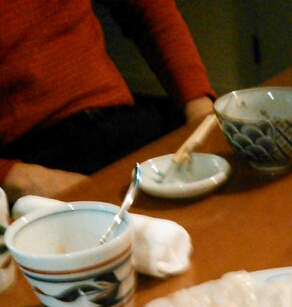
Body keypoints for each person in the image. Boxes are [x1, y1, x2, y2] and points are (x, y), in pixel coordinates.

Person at [0, 0, 216, 203]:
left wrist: (199, 105)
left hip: (123, 121)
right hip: (35, 155)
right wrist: (12, 177)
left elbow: (146, 6)